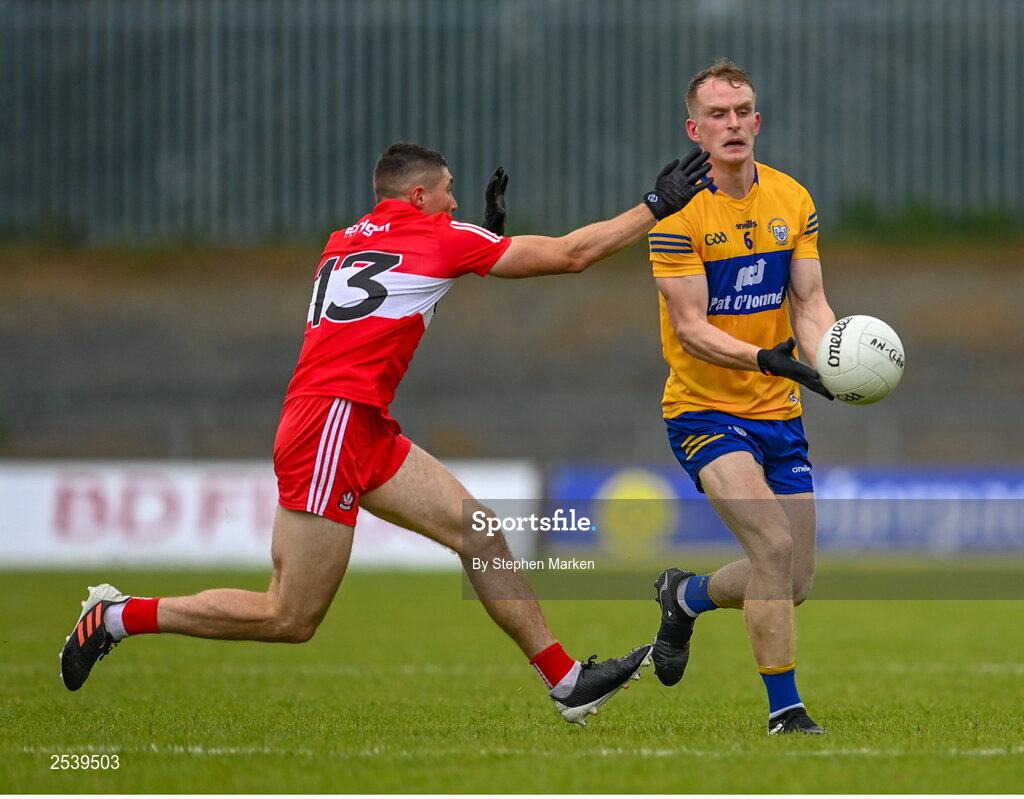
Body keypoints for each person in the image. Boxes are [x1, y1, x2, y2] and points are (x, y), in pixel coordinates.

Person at [60, 141, 712, 726]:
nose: (455, 199)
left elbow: (401, 278)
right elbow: (573, 254)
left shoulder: (341, 239)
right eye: (449, 190)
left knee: (478, 529)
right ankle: (118, 616)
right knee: (290, 615)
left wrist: (474, 237)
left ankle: (566, 681)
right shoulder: (439, 235)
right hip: (331, 426)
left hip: (352, 420)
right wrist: (655, 204)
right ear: (419, 195)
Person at [646, 61, 837, 735]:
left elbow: (809, 303)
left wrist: (833, 360)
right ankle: (786, 711)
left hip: (778, 411)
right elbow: (693, 331)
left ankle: (685, 594)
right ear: (694, 129)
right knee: (772, 547)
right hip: (704, 410)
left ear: (757, 121)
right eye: (717, 115)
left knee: (795, 579)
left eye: (742, 112)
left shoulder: (793, 199)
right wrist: (766, 358)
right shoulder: (676, 218)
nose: (732, 124)